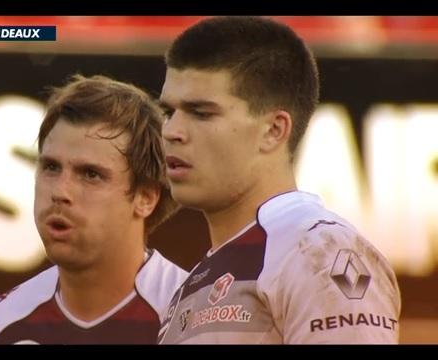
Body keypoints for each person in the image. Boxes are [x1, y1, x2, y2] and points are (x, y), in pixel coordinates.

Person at [157, 16, 401, 344]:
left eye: (201, 113)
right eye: (168, 113)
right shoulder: (193, 282)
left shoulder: (319, 252)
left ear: (274, 130)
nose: (172, 131)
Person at [0, 74, 187, 344]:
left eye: (90, 174)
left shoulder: (195, 316)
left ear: (146, 198)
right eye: (51, 167)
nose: (60, 192)